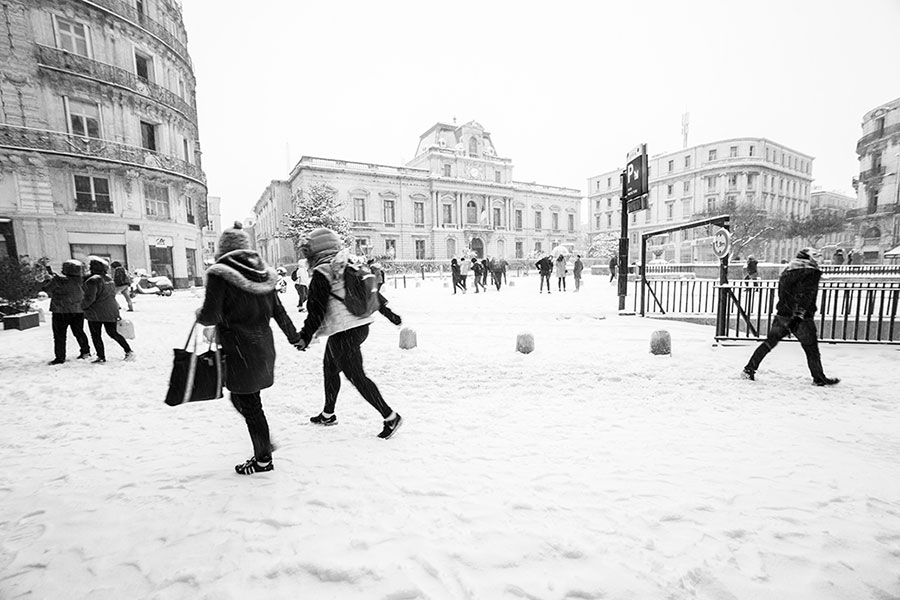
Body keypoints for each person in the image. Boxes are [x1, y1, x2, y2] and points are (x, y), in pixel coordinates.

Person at [197, 222, 301, 474]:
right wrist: (294, 337)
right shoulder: (263, 273)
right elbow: (279, 311)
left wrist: (201, 313)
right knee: (245, 400)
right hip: (262, 348)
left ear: (223, 250)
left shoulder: (219, 274)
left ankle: (263, 457)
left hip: (238, 349)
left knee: (250, 404)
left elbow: (209, 316)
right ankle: (263, 444)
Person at [296, 228, 404, 440]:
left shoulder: (323, 271)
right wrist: (389, 314)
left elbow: (315, 311)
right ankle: (328, 414)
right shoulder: (349, 263)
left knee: (356, 375)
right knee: (330, 367)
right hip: (359, 325)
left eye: (307, 251)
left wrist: (305, 337)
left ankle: (390, 416)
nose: (305, 256)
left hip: (345, 330)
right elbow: (371, 292)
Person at [742, 248, 839, 386]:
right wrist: (798, 315)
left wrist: (786, 310)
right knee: (811, 348)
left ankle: (749, 369)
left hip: (783, 314)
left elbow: (783, 294)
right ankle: (818, 377)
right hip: (801, 317)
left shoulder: (787, 273)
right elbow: (806, 296)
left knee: (769, 343)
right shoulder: (810, 273)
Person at [82, 257, 133, 364]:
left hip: (96, 312)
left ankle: (101, 356)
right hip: (111, 309)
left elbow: (90, 298)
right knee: (113, 332)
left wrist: (82, 307)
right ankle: (128, 350)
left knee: (96, 335)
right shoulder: (109, 279)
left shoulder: (93, 281)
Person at [43, 259, 92, 364]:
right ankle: (85, 351)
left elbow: (47, 289)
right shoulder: (81, 280)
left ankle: (60, 357)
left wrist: (48, 280)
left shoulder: (58, 280)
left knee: (60, 335)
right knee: (79, 332)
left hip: (60, 311)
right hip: (78, 310)